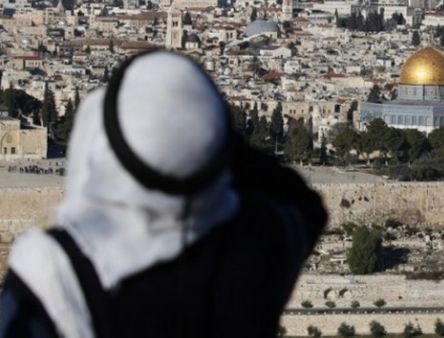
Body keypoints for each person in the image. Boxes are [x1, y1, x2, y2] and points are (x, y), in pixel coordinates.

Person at [0, 51, 327, 338]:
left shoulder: (54, 271)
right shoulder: (263, 244)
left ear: (99, 143)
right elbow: (298, 199)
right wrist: (201, 130)